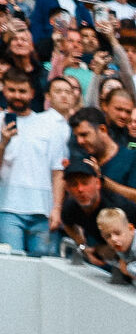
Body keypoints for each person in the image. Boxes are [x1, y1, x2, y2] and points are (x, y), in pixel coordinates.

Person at [0, 68, 69, 255]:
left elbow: (57, 172)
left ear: (32, 93)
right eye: (12, 90)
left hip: (43, 210)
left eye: (22, 91)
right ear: (4, 90)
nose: (17, 95)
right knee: (13, 270)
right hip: (7, 208)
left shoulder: (49, 125)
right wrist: (3, 143)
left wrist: (56, 209)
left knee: (46, 271)